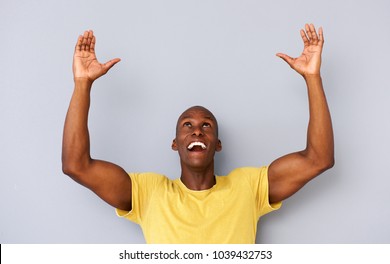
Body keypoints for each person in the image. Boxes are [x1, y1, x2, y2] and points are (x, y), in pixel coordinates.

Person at [62, 24, 334, 243]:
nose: (197, 131)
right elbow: (76, 166)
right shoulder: (150, 192)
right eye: (187, 126)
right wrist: (82, 84)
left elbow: (318, 159)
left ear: (217, 144)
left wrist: (312, 78)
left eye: (206, 126)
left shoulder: (247, 187)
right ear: (175, 144)